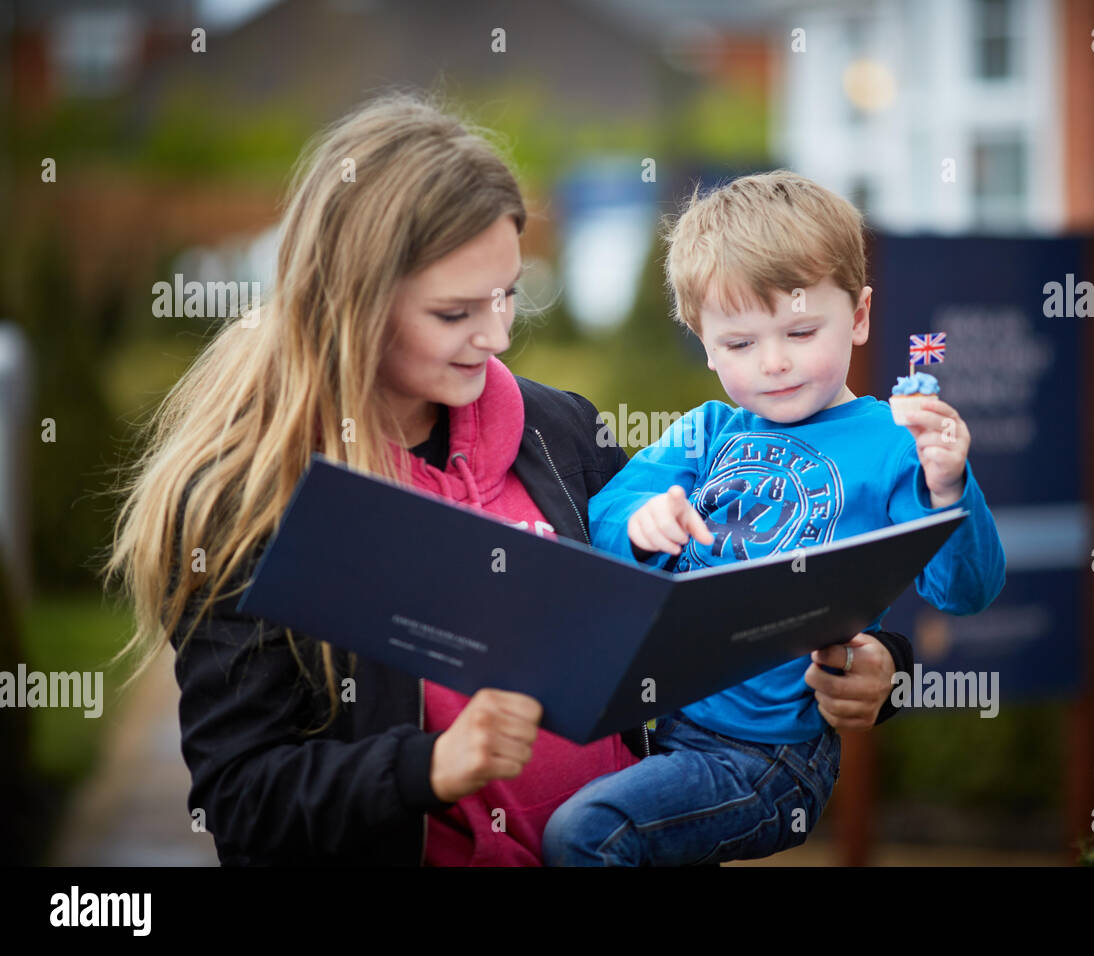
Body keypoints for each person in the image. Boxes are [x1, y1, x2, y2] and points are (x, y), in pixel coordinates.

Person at [101, 94, 914, 866]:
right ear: (351, 305)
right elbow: (241, 801)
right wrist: (432, 765)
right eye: (455, 314)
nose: (495, 336)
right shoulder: (246, 505)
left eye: (508, 297)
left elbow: (721, 593)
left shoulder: (558, 430)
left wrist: (878, 662)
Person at [542, 171, 1007, 866]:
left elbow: (965, 591)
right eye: (739, 344)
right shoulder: (705, 433)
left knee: (586, 834)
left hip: (768, 755)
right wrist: (643, 524)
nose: (775, 362)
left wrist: (948, 490)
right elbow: (602, 521)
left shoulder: (893, 443)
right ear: (703, 342)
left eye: (800, 329)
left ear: (858, 315)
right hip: (661, 725)